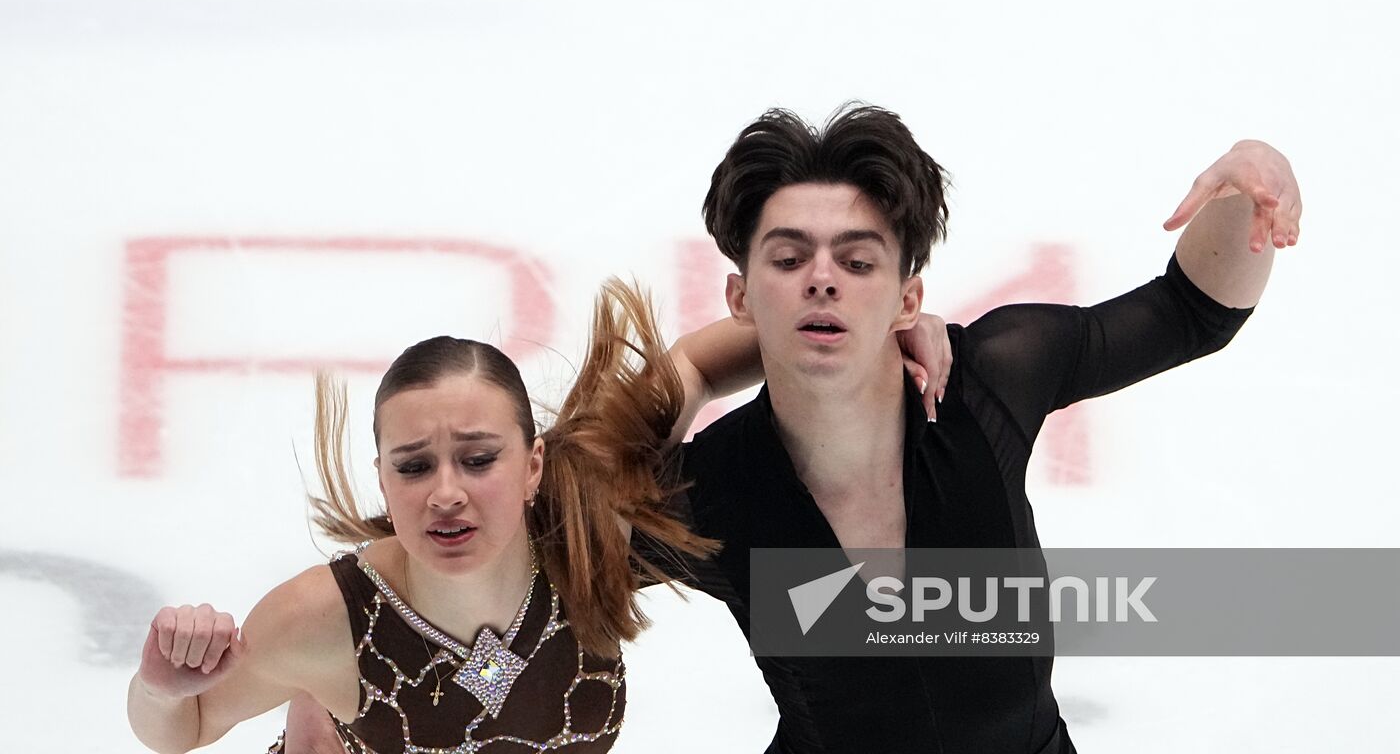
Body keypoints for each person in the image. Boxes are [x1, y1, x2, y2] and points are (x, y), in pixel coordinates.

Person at [631, 104, 1300, 753]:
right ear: (738, 297)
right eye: (787, 261)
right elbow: (566, 514)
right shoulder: (714, 490)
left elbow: (1192, 312)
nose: (823, 281)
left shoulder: (989, 384)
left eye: (859, 263)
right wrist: (692, 366)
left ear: (908, 299)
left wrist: (1254, 175)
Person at [126, 279, 954, 754]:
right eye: (413, 466)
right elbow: (184, 727)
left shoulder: (587, 523)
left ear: (531, 467)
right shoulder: (324, 620)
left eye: (478, 458)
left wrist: (883, 330)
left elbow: (700, 363)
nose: (444, 491)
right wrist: (160, 687)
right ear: (382, 476)